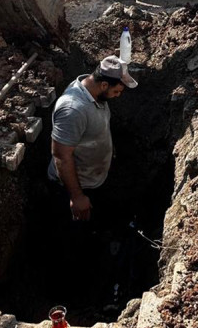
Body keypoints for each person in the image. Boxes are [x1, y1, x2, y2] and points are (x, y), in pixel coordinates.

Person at [48, 56, 136, 221]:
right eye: (116, 91)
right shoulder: (73, 109)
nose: (117, 96)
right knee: (75, 231)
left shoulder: (96, 94)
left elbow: (99, 129)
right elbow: (61, 156)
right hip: (74, 187)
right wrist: (77, 197)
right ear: (104, 85)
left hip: (92, 179)